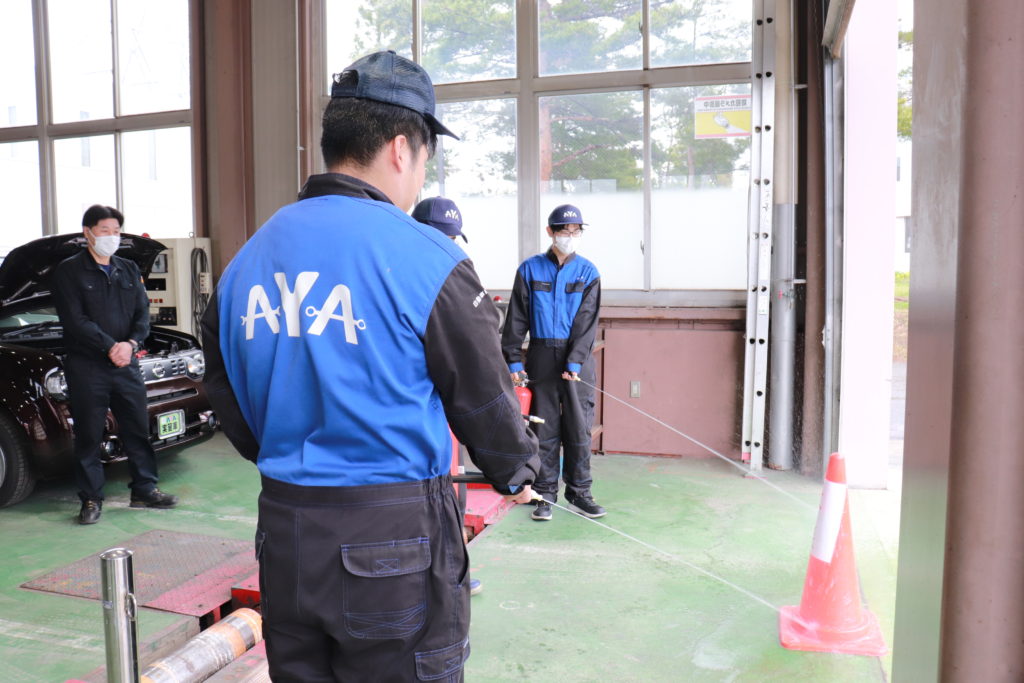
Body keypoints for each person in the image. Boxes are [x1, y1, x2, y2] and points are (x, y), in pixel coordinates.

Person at [201, 51, 540, 681]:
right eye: (426, 160)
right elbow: (484, 397)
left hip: (286, 533)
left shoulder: (245, 262)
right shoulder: (426, 257)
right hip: (394, 543)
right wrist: (517, 468)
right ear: (401, 149)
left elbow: (226, 396)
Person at [51, 205, 178, 525]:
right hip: (88, 366)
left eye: (116, 231)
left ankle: (145, 489)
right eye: (105, 231)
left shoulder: (128, 268)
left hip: (126, 363)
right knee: (90, 435)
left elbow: (142, 313)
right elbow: (75, 320)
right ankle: (91, 498)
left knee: (137, 429)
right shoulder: (69, 271)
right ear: (88, 233)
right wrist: (110, 346)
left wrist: (131, 344)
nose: (112, 237)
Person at [501, 203, 604, 522]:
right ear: (550, 232)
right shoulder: (529, 270)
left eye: (576, 231)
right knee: (543, 428)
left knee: (578, 428)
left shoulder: (588, 272)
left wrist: (575, 362)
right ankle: (545, 494)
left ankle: (580, 493)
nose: (569, 236)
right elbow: (516, 319)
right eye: (563, 230)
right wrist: (514, 362)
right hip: (541, 356)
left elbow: (587, 323)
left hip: (577, 361)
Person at [412, 196, 483, 597]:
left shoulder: (454, 276)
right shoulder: (400, 276)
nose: (448, 246)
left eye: (453, 240)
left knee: (452, 492)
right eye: (443, 238)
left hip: (444, 410)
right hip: (414, 413)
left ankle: (453, 572)